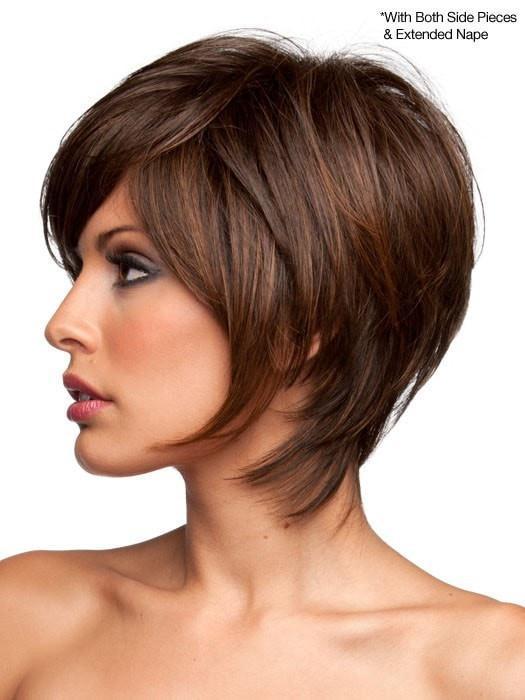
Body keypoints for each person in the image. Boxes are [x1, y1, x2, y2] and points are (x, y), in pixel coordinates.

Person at [1, 29, 523, 698]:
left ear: (305, 315)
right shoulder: (25, 620)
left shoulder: (490, 674)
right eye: (79, 268)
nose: (62, 325)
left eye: (130, 267)